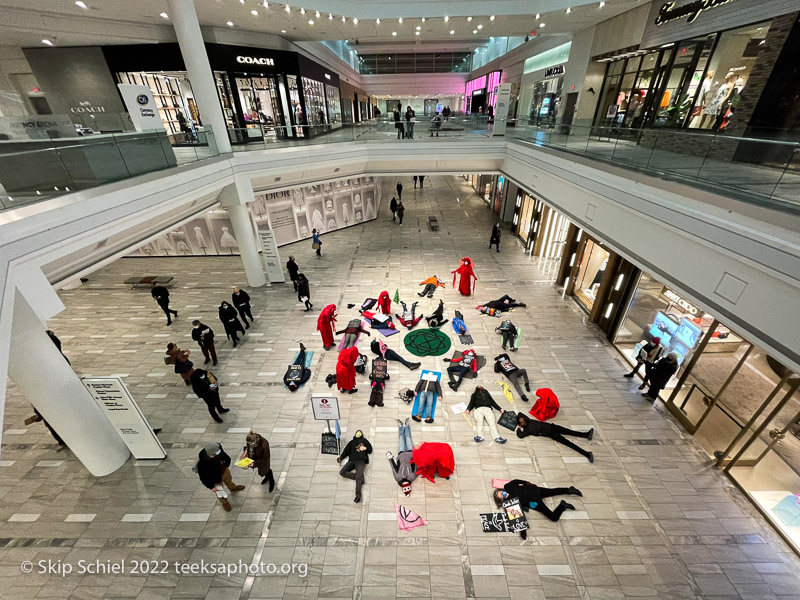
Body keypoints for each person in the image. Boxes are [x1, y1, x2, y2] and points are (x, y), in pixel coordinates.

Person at [493, 479, 582, 524]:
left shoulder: (508, 486)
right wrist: (523, 532)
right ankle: (563, 506)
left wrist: (525, 483)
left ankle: (569, 490)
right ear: (501, 499)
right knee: (553, 517)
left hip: (534, 490)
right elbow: (518, 518)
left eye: (501, 492)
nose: (503, 493)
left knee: (553, 491)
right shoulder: (509, 503)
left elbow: (515, 481)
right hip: (534, 502)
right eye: (501, 495)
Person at [516, 414, 594, 462]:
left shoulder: (529, 421)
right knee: (568, 443)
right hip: (551, 433)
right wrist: (519, 428)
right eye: (521, 422)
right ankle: (586, 453)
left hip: (552, 427)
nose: (523, 423)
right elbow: (520, 435)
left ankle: (586, 435)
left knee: (569, 431)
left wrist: (519, 423)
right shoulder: (528, 429)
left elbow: (520, 414)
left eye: (523, 421)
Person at [194, 442, 245, 512]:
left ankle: (233, 488)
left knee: (229, 480)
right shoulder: (203, 463)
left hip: (224, 470)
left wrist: (227, 462)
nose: (219, 452)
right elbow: (203, 477)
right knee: (220, 492)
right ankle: (224, 502)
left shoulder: (218, 449)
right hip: (215, 479)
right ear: (210, 454)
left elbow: (224, 456)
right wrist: (211, 486)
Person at [338, 430, 372, 503]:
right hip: (352, 461)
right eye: (357, 431)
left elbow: (370, 449)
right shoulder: (351, 442)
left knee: (359, 475)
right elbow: (346, 451)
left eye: (360, 432)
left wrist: (365, 448)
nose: (358, 432)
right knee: (342, 472)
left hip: (361, 460)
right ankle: (360, 479)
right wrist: (341, 457)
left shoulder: (364, 440)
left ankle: (358, 495)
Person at [387, 418, 417, 496]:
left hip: (401, 453)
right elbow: (415, 465)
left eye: (405, 485)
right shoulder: (412, 477)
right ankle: (406, 425)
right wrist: (417, 456)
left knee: (401, 437)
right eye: (408, 485)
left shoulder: (398, 477)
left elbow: (393, 467)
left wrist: (390, 458)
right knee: (407, 437)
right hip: (411, 452)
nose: (406, 483)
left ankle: (400, 426)